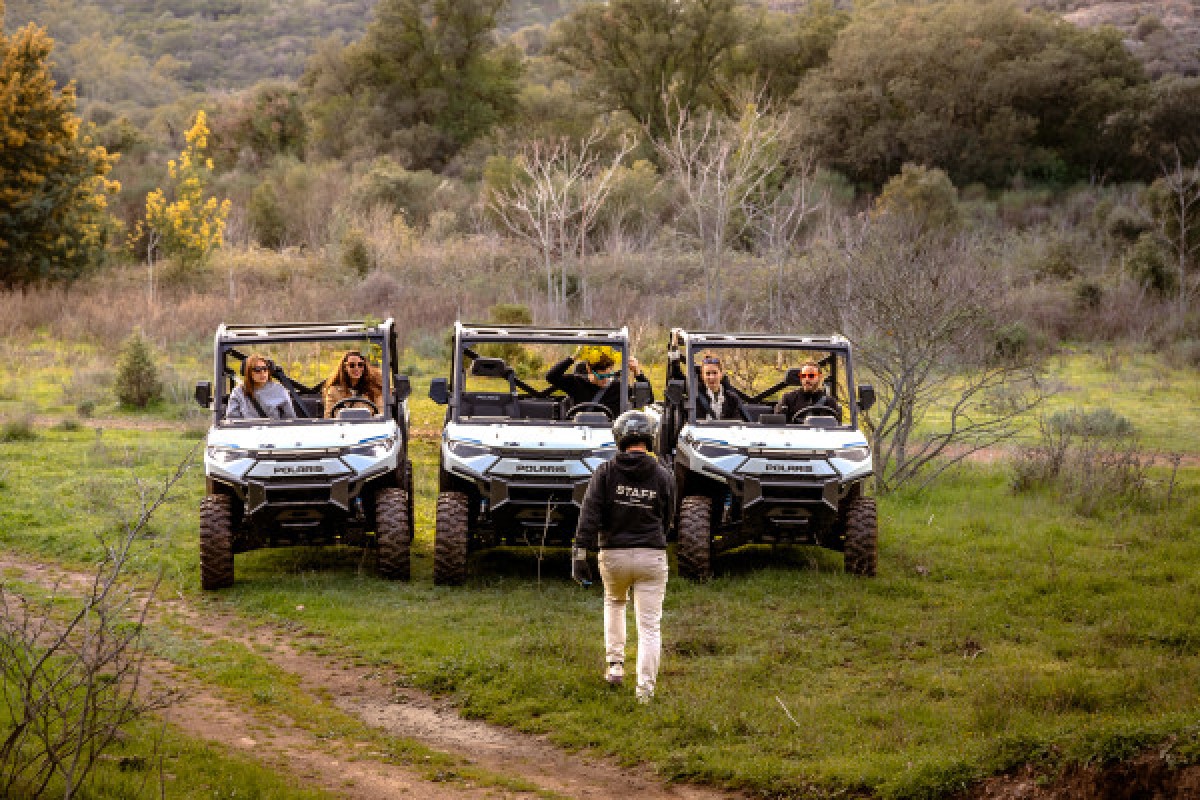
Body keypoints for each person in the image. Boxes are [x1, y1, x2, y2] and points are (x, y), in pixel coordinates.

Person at [572, 410, 675, 703]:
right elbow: (669, 518)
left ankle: (615, 666)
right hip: (651, 555)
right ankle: (645, 691)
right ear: (650, 438)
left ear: (619, 439)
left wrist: (579, 556)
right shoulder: (663, 475)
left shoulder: (604, 472)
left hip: (613, 554)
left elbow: (588, 518)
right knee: (649, 626)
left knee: (615, 602)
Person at [545, 347, 649, 419]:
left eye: (609, 375)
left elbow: (647, 399)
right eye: (601, 376)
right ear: (589, 369)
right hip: (579, 432)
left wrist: (637, 372)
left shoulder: (619, 387)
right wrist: (574, 357)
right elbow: (551, 376)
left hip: (608, 435)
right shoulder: (577, 383)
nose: (605, 380)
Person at [226, 354, 297, 420]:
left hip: (274, 430)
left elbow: (290, 418)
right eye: (257, 370)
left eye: (265, 368)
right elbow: (232, 419)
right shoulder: (238, 392)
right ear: (249, 373)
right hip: (248, 431)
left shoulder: (279, 390)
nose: (262, 373)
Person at [775, 360, 841, 423]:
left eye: (811, 376)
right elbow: (778, 425)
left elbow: (838, 427)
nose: (806, 379)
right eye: (803, 376)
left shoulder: (830, 402)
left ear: (820, 377)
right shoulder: (788, 399)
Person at [323, 350, 383, 417]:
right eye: (352, 365)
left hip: (368, 425)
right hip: (342, 426)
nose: (356, 368)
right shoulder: (334, 391)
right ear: (345, 367)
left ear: (364, 367)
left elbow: (381, 413)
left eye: (360, 365)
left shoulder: (375, 389)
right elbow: (329, 416)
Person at [694, 351, 743, 421]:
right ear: (702, 376)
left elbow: (736, 424)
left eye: (715, 373)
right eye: (708, 373)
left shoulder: (732, 399)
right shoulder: (696, 397)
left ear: (721, 374)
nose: (711, 377)